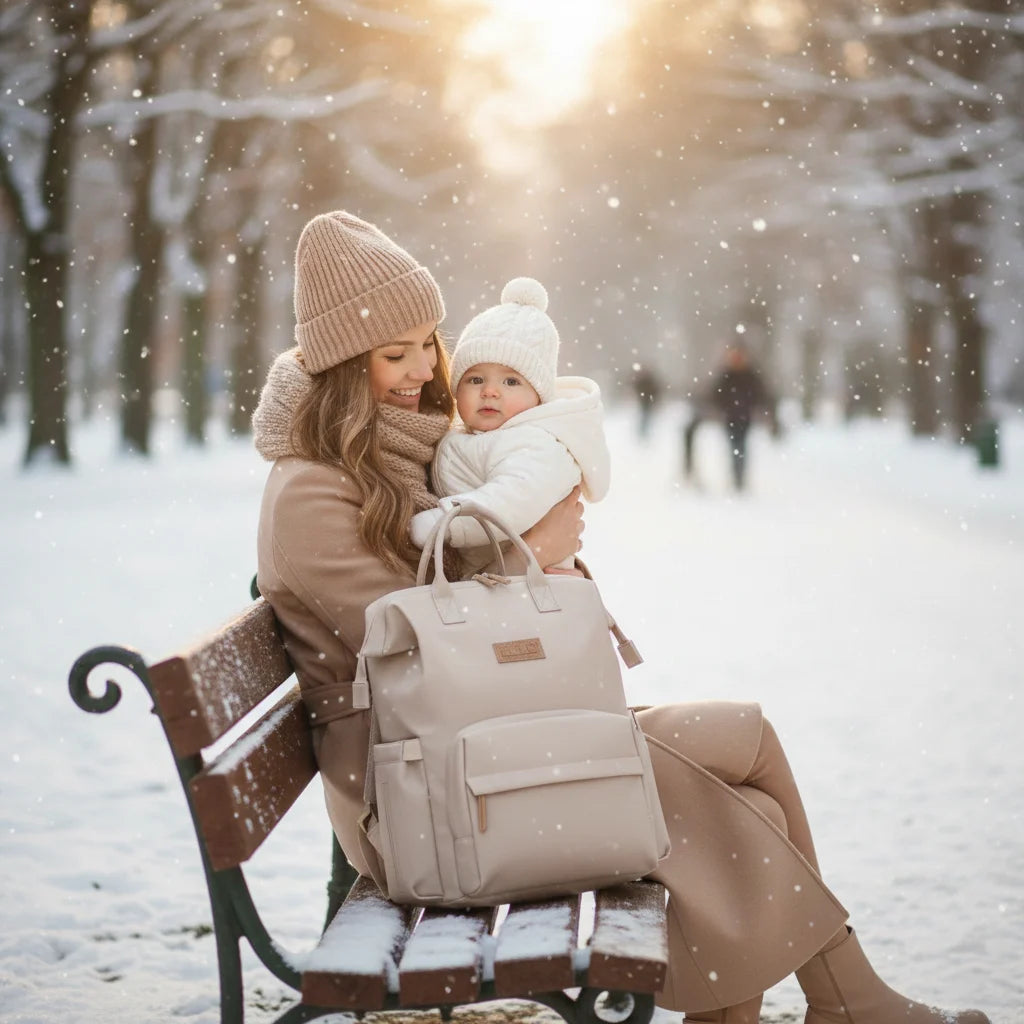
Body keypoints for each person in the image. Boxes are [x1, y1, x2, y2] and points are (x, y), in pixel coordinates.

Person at [252, 210, 989, 1024]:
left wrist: (522, 545)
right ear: (341, 365)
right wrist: (523, 545)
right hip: (424, 796)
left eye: (430, 343)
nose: (426, 369)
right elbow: (414, 644)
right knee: (729, 797)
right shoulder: (312, 491)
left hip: (487, 744)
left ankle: (820, 1003)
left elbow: (458, 603)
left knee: (746, 735)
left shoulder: (400, 449)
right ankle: (836, 1001)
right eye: (397, 353)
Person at [408, 275, 609, 569]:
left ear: (538, 397)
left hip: (531, 586)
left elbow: (513, 501)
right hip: (492, 584)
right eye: (475, 379)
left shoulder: (536, 442)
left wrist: (445, 522)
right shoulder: (465, 437)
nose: (490, 391)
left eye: (511, 381)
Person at [683, 343, 778, 491]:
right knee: (733, 446)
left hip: (745, 418)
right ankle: (736, 477)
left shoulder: (751, 377)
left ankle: (739, 478)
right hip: (730, 418)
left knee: (741, 446)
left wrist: (765, 411)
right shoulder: (725, 376)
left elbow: (762, 396)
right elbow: (714, 395)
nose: (737, 360)